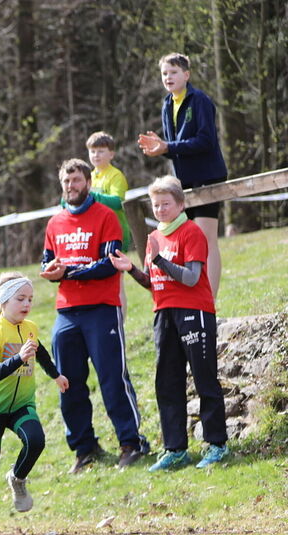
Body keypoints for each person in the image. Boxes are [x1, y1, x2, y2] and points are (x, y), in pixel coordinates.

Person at [109, 176, 228, 470]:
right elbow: (155, 283)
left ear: (180, 204)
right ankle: (175, 449)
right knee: (167, 382)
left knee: (204, 378)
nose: (160, 209)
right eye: (156, 204)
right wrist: (133, 269)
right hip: (163, 313)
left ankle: (217, 444)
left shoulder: (192, 232)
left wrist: (160, 260)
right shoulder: (154, 237)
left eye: (166, 204)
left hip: (193, 311)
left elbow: (189, 278)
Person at [41, 158, 147, 472]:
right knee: (69, 383)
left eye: (76, 180)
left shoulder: (105, 216)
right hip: (67, 313)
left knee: (113, 379)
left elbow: (108, 264)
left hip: (102, 309)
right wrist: (50, 272)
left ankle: (131, 442)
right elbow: (48, 262)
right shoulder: (55, 222)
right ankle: (84, 449)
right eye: (66, 182)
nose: (71, 186)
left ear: (88, 182)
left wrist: (68, 273)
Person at [0, 273, 68, 535]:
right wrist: (19, 358)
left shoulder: (30, 326)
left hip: (22, 404)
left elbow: (39, 351)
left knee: (36, 440)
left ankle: (17, 478)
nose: (26, 304)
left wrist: (56, 375)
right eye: (20, 298)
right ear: (4, 300)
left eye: (30, 299)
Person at [138, 52, 226, 297]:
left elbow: (206, 141)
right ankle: (194, 295)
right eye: (164, 73)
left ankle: (210, 299)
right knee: (188, 239)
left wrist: (169, 147)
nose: (168, 77)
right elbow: (175, 148)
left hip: (208, 176)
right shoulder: (167, 104)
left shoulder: (200, 100)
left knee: (207, 239)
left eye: (174, 72)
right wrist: (161, 149)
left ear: (186, 75)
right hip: (182, 182)